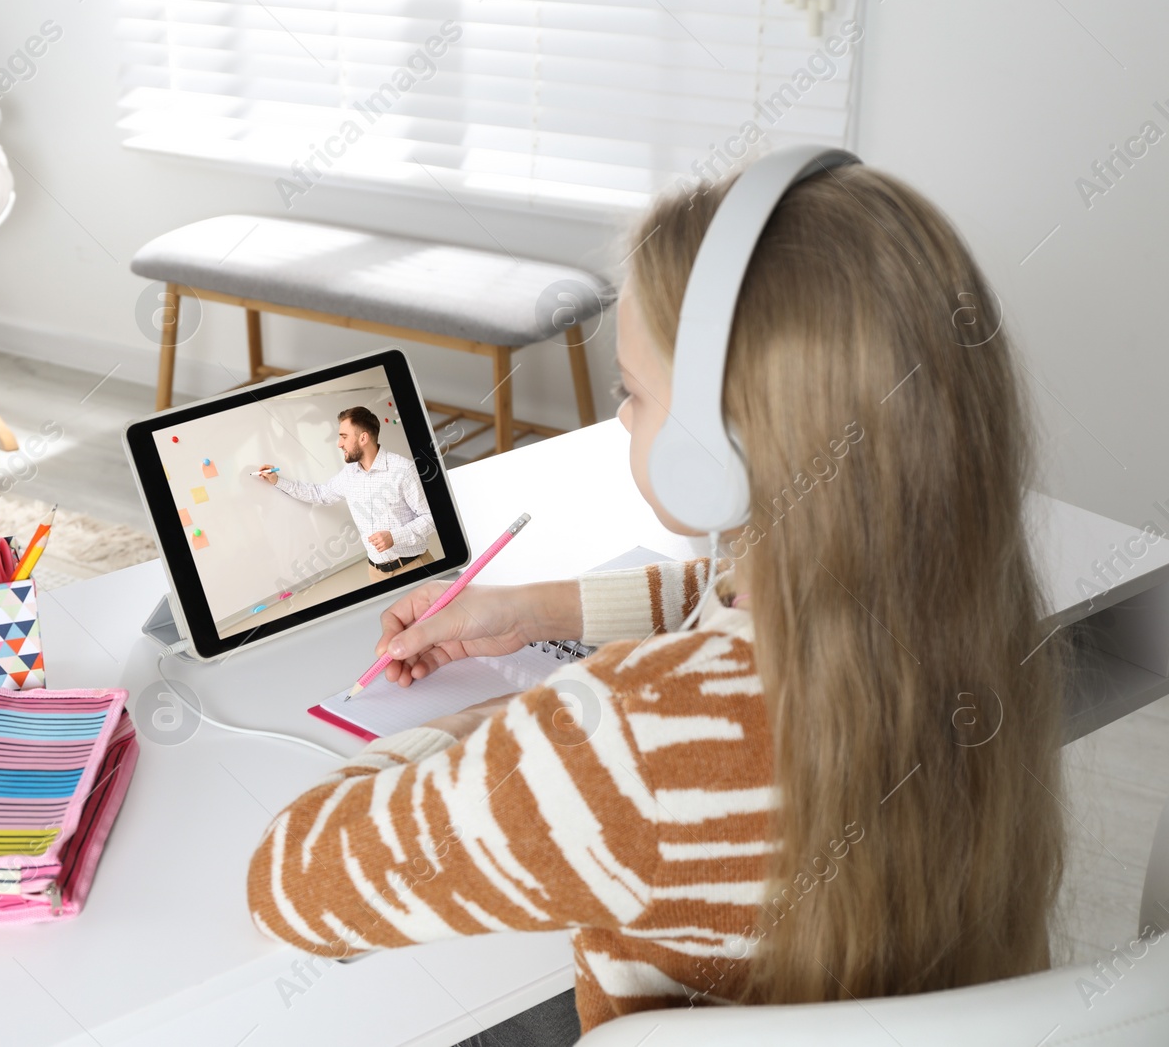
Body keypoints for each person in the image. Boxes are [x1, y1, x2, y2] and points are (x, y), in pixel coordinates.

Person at [246, 158, 1065, 1043]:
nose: (623, 419)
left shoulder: (633, 741)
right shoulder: (968, 605)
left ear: (728, 448)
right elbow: (729, 601)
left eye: (633, 393)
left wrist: (507, 720)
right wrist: (533, 613)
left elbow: (290, 879)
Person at [259, 406, 435, 582]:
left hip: (414, 568)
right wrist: (277, 481)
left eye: (344, 437)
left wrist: (394, 537)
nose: (339, 444)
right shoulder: (350, 474)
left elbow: (431, 518)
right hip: (376, 573)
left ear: (363, 438)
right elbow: (320, 494)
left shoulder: (403, 470)